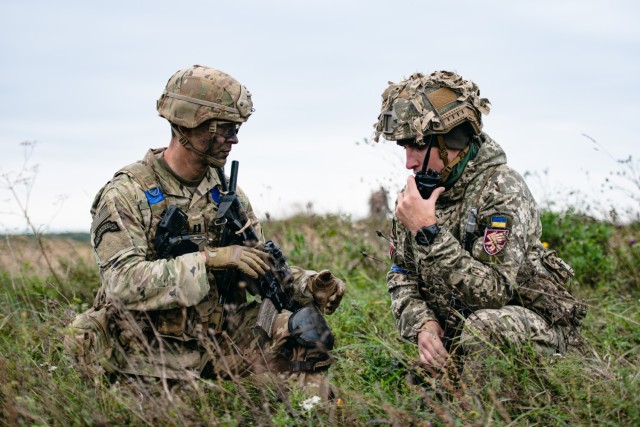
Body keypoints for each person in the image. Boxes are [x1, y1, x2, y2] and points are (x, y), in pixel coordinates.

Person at [64, 65, 345, 400]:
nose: (234, 139)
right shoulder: (128, 193)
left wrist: (309, 284)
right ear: (189, 124)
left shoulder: (228, 195)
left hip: (219, 334)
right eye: (224, 128)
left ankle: (304, 410)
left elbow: (260, 266)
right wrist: (212, 259)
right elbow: (122, 282)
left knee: (304, 334)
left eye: (236, 128)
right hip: (149, 347)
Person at [373, 70, 586, 375]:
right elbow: (400, 273)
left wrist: (428, 232)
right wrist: (423, 324)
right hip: (463, 337)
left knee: (484, 327)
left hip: (532, 328)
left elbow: (494, 292)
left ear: (449, 141)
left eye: (418, 146)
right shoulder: (418, 194)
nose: (409, 162)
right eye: (404, 147)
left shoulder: (501, 189)